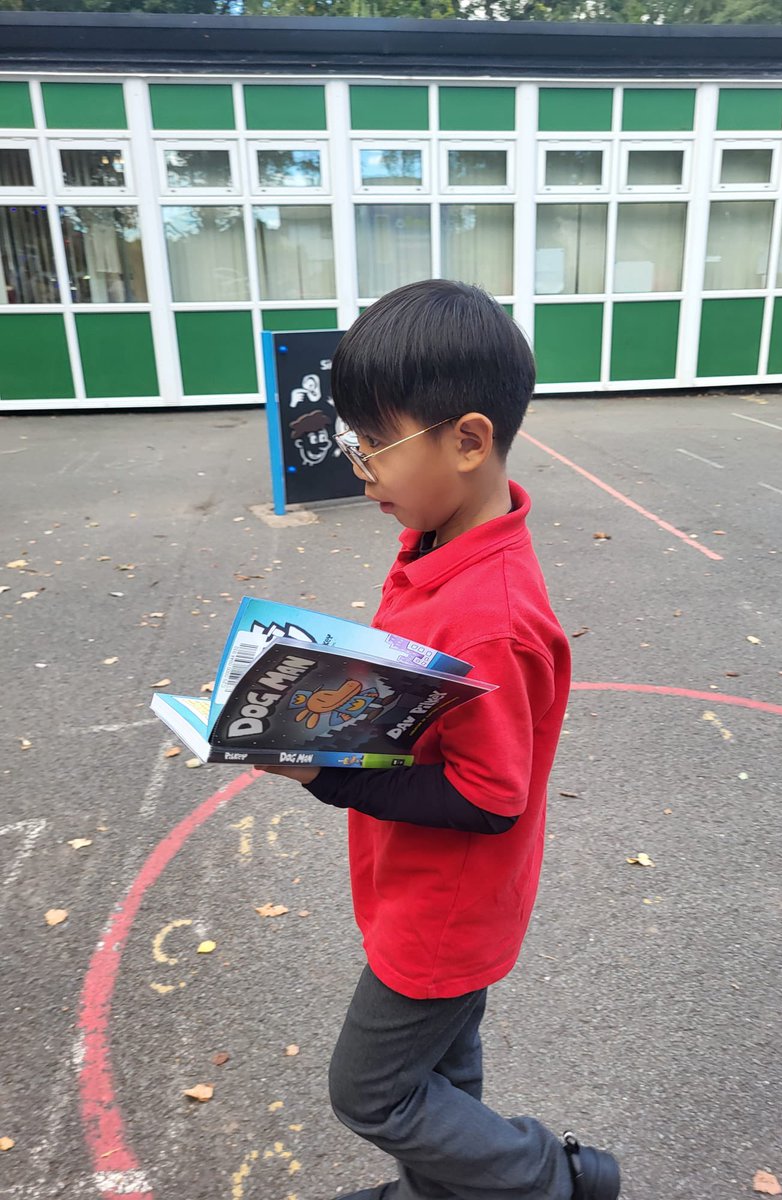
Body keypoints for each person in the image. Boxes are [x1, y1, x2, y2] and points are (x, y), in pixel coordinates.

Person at [264, 279, 620, 1200]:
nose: (358, 470)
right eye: (351, 444)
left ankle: (550, 1179)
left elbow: (491, 796)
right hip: (413, 885)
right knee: (442, 1078)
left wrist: (327, 772)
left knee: (373, 1091)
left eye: (373, 446)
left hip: (445, 910)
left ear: (468, 439)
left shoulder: (489, 615)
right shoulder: (436, 544)